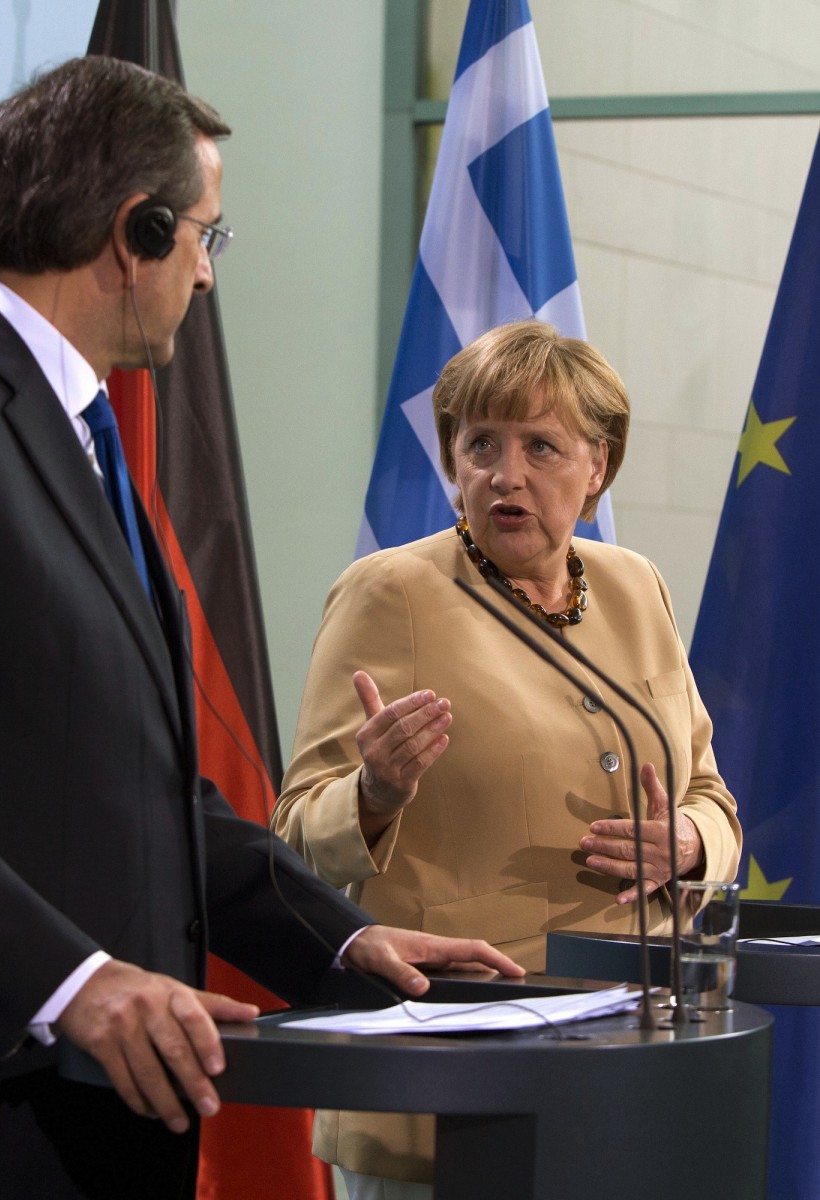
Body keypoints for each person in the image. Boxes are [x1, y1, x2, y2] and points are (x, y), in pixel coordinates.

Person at [0, 56, 524, 1200]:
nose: (206, 273)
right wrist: (76, 982)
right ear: (131, 232)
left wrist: (347, 943)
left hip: (108, 1122)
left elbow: (153, 799)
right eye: (204, 234)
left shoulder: (77, 432)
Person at [271, 319, 742, 1199]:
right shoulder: (395, 592)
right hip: (457, 1083)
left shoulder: (637, 585)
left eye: (541, 446)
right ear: (451, 460)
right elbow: (293, 836)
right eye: (479, 443)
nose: (506, 473)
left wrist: (687, 843)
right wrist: (373, 793)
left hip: (637, 1073)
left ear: (598, 467)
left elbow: (712, 794)